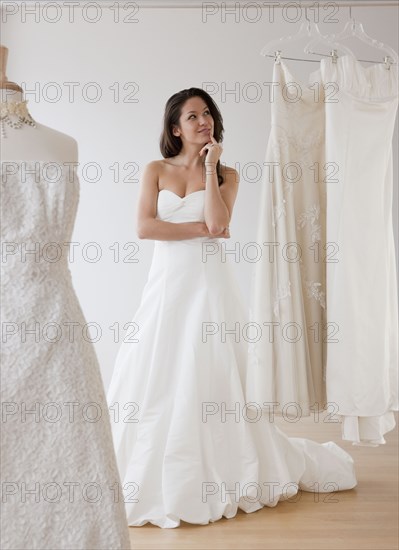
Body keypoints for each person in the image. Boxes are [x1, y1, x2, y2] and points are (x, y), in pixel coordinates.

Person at [106, 87, 357, 529]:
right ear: (174, 128)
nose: (203, 122)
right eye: (192, 116)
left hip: (210, 286)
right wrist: (197, 229)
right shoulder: (155, 170)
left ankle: (226, 466)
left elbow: (220, 225)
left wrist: (208, 170)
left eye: (207, 114)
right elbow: (145, 227)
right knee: (158, 366)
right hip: (166, 287)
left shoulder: (227, 175)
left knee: (214, 367)